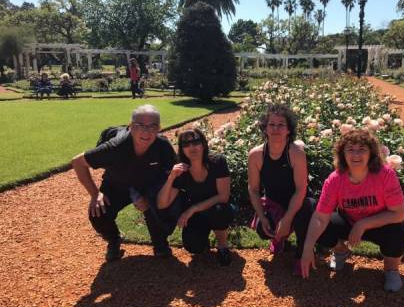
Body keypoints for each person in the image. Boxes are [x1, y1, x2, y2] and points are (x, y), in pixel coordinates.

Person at [300, 129, 404, 292]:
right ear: (342, 154)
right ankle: (341, 250)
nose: (356, 155)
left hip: (379, 224)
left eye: (362, 149)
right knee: (320, 228)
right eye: (350, 150)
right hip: (348, 221)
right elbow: (320, 217)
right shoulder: (335, 179)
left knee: (397, 235)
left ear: (371, 153)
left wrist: (363, 224)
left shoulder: (385, 175)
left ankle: (391, 269)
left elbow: (399, 214)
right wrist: (307, 248)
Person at [72, 105, 178, 261]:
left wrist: (150, 200)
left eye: (152, 126)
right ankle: (114, 239)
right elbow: (77, 162)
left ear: (159, 128)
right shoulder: (115, 146)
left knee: (161, 203)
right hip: (117, 184)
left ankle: (160, 242)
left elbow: (171, 176)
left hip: (147, 185)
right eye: (140, 125)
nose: (146, 131)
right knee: (98, 212)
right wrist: (95, 194)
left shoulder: (163, 146)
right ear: (130, 126)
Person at [248, 104, 313, 275]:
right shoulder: (255, 155)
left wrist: (287, 220)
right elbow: (253, 189)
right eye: (271, 124)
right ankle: (279, 239)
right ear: (265, 128)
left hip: (299, 201)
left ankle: (302, 252)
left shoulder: (296, 153)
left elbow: (301, 189)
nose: (276, 129)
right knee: (264, 229)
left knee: (305, 210)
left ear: (288, 130)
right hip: (273, 202)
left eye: (281, 124)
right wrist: (262, 216)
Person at [156, 129, 234, 266]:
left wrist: (192, 208)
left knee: (220, 211)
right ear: (182, 149)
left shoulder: (217, 162)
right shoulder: (182, 170)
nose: (191, 147)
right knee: (193, 246)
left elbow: (223, 196)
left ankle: (222, 246)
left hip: (218, 207)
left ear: (203, 144)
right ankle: (204, 239)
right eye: (186, 144)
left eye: (196, 141)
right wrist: (171, 177)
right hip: (198, 214)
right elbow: (162, 204)